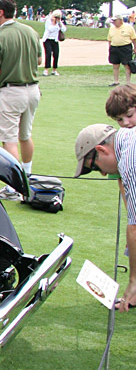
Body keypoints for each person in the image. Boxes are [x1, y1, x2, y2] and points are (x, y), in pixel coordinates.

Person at [0, 0, 41, 200]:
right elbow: (40, 60)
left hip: (11, 92)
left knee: (9, 140)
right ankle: (28, 175)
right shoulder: (31, 31)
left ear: (0, 12)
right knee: (25, 135)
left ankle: (14, 187)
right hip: (33, 90)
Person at [74, 123, 136, 310]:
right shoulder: (126, 137)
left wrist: (134, 280)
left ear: (101, 149)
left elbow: (135, 227)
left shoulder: (129, 162)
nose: (102, 173)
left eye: (94, 166)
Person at [107, 15, 136, 86]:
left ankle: (128, 82)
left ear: (120, 20)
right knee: (115, 65)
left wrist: (135, 48)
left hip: (125, 48)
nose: (113, 22)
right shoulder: (112, 28)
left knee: (127, 65)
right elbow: (109, 39)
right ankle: (116, 81)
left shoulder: (128, 27)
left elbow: (133, 39)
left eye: (115, 20)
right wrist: (110, 47)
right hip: (114, 48)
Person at [40, 9, 65, 76]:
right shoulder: (48, 21)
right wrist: (53, 23)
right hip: (47, 40)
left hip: (55, 40)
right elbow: (50, 29)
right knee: (48, 54)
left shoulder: (58, 23)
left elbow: (64, 29)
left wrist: (59, 23)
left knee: (56, 54)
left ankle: (54, 69)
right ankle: (46, 69)